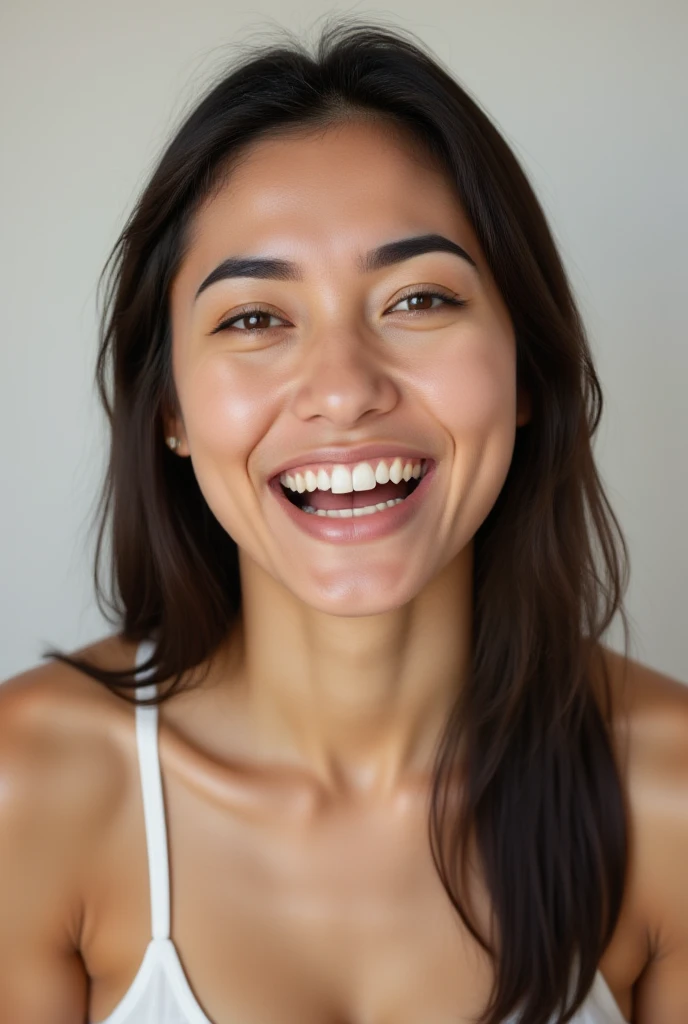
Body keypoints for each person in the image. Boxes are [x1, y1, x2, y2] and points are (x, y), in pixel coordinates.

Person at [1, 16, 686, 1024]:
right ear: (172, 412)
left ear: (527, 369)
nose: (343, 388)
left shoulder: (667, 797)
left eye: (417, 299)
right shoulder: (33, 790)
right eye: (253, 318)